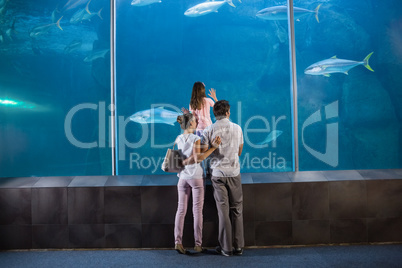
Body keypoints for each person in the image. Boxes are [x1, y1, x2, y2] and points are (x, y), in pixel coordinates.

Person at [201, 100, 244, 257]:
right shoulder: (237, 128)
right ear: (227, 113)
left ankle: (226, 248)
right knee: (237, 209)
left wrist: (214, 147)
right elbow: (239, 152)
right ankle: (238, 246)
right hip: (233, 173)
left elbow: (204, 152)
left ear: (214, 114)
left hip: (218, 174)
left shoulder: (209, 129)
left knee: (223, 211)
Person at [174, 113, 221, 254]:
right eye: (195, 121)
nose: (197, 122)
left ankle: (177, 242)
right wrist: (213, 148)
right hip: (195, 177)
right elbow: (197, 158)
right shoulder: (195, 138)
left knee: (180, 211)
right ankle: (198, 244)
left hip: (182, 177)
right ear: (190, 124)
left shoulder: (178, 138)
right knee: (197, 211)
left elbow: (184, 156)